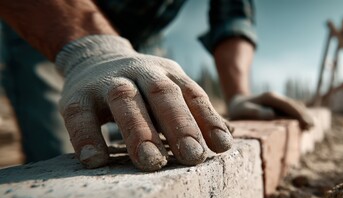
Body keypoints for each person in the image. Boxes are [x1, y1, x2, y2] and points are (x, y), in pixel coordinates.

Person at [0, 0, 313, 171]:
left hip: (144, 37)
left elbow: (232, 16)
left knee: (159, 126)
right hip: (51, 19)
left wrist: (238, 94)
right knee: (71, 152)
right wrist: (91, 51)